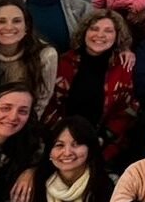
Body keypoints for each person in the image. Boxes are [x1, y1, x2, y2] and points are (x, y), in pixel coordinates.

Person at [41, 10, 139, 167]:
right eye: (94, 29)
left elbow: (127, 111)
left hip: (104, 145)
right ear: (84, 32)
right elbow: (50, 104)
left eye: (108, 31)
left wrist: (102, 138)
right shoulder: (64, 62)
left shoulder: (123, 67)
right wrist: (64, 140)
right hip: (61, 141)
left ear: (117, 37)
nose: (100, 35)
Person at [0, 0, 57, 114]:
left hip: (24, 121)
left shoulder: (45, 55)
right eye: (1, 21)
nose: (9, 27)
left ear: (26, 27)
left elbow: (40, 104)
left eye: (17, 21)